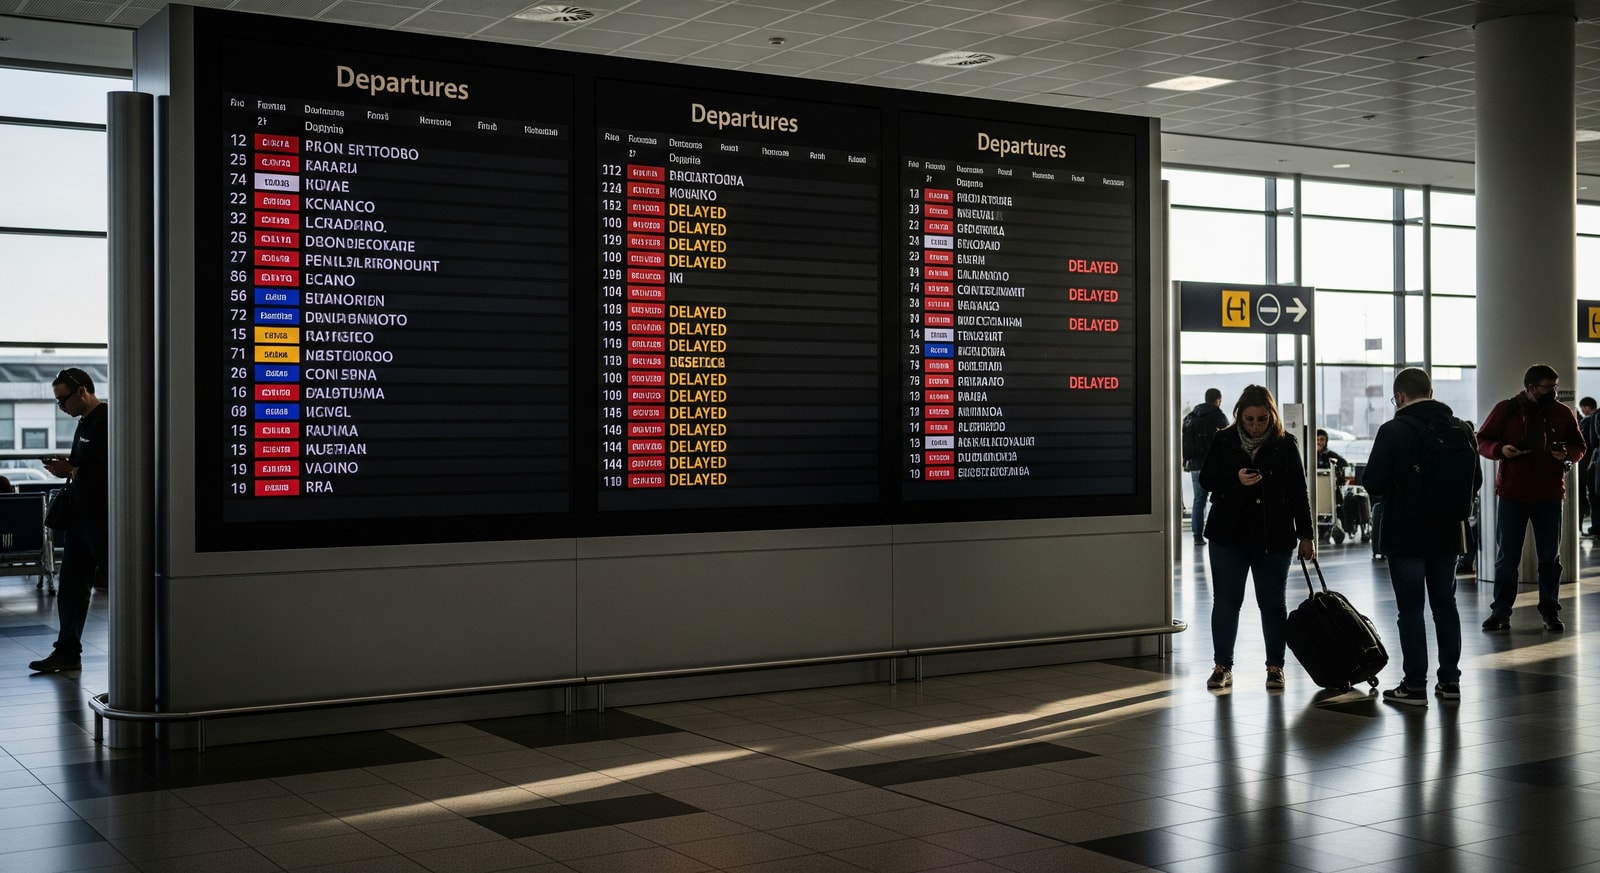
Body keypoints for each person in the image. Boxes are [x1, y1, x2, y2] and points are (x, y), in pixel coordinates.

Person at [1362, 368, 1479, 705]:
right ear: (1431, 392)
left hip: (1406, 534)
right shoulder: (1461, 429)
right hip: (1449, 533)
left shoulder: (1392, 430)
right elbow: (1475, 482)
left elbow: (1373, 482)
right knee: (1446, 606)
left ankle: (1414, 686)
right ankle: (1450, 681)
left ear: (1399, 397)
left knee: (1411, 610)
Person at [1199, 385, 1316, 690]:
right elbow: (1207, 478)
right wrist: (1235, 479)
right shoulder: (1224, 439)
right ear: (1239, 415)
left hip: (1273, 536)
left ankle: (1275, 667)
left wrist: (1307, 534)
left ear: (1271, 416)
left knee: (1273, 603)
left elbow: (1298, 491)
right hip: (1228, 535)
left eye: (1262, 419)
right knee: (1226, 602)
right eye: (1249, 419)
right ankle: (1222, 666)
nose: (1255, 426)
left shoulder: (1285, 443)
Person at [1476, 364, 1584, 632]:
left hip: (1550, 495)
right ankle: (1501, 611)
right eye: (1548, 388)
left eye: (1555, 387)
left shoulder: (1562, 413)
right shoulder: (1506, 409)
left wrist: (1567, 454)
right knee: (1507, 558)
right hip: (1512, 494)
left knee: (1550, 558)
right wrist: (1501, 449)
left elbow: (1579, 445)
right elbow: (1482, 440)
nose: (1553, 392)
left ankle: (1550, 611)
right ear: (1531, 388)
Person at [29, 368, 107, 674]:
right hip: (80, 519)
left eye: (63, 399)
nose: (61, 406)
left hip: (102, 520)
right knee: (71, 588)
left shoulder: (106, 422)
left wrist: (71, 471)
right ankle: (66, 652)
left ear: (82, 392)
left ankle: (140, 649)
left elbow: (112, 471)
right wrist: (69, 466)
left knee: (118, 586)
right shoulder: (84, 422)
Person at [1182, 388, 1229, 546]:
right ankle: (1217, 533)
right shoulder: (1219, 416)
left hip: (1195, 464)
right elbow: (1226, 441)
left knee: (1199, 500)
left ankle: (1197, 536)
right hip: (1214, 464)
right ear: (1218, 400)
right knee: (1219, 498)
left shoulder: (1192, 416)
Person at [1315, 428, 1351, 532]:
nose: (1319, 442)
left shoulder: (1331, 455)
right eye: (1317, 439)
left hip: (1330, 489)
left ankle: (1341, 527)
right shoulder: (1310, 455)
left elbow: (1344, 464)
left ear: (1326, 441)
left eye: (1322, 439)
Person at [1581, 397, 1600, 535]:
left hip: (1591, 463)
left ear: (1587, 407)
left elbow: (1592, 442)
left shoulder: (1590, 419)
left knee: (1594, 496)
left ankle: (1596, 526)